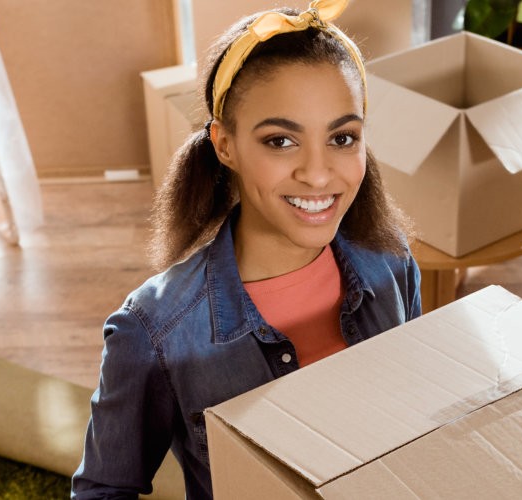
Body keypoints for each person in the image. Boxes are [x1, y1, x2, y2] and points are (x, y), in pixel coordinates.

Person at [71, 1, 421, 498]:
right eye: (281, 141)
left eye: (343, 137)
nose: (319, 174)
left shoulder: (391, 262)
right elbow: (103, 492)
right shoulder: (155, 331)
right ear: (224, 145)